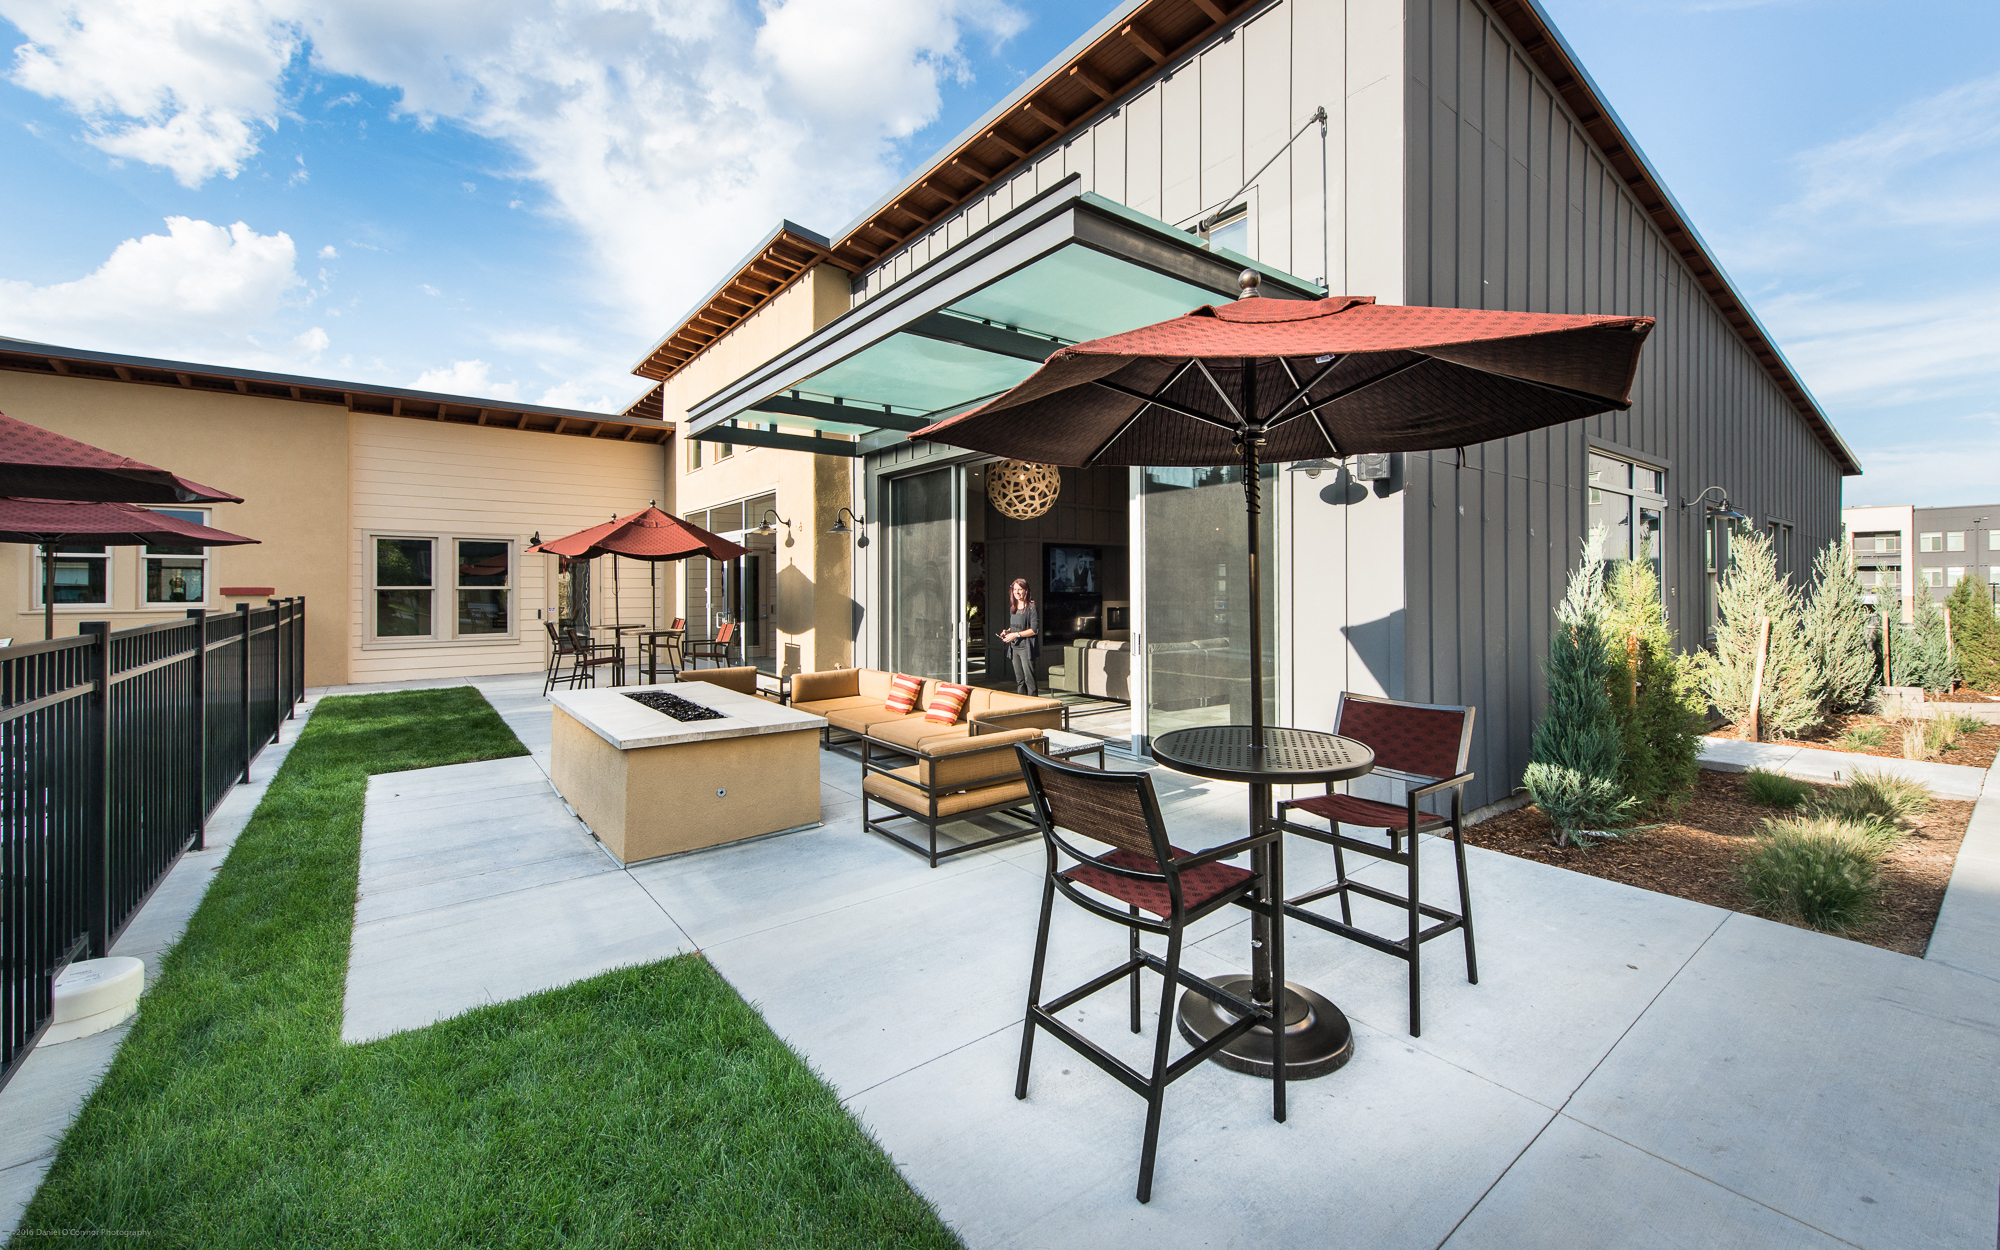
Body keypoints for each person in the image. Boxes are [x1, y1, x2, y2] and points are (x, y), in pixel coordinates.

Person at [999, 577, 1040, 697]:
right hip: (1014, 648)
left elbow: (1034, 630)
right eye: (1014, 589)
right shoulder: (1013, 607)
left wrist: (1015, 634)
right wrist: (1007, 631)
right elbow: (1016, 627)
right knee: (1020, 681)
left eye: (1020, 589)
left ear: (1026, 591)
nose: (1017, 592)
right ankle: (1022, 707)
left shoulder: (1031, 608)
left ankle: (1034, 708)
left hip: (1026, 649)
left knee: (1029, 680)